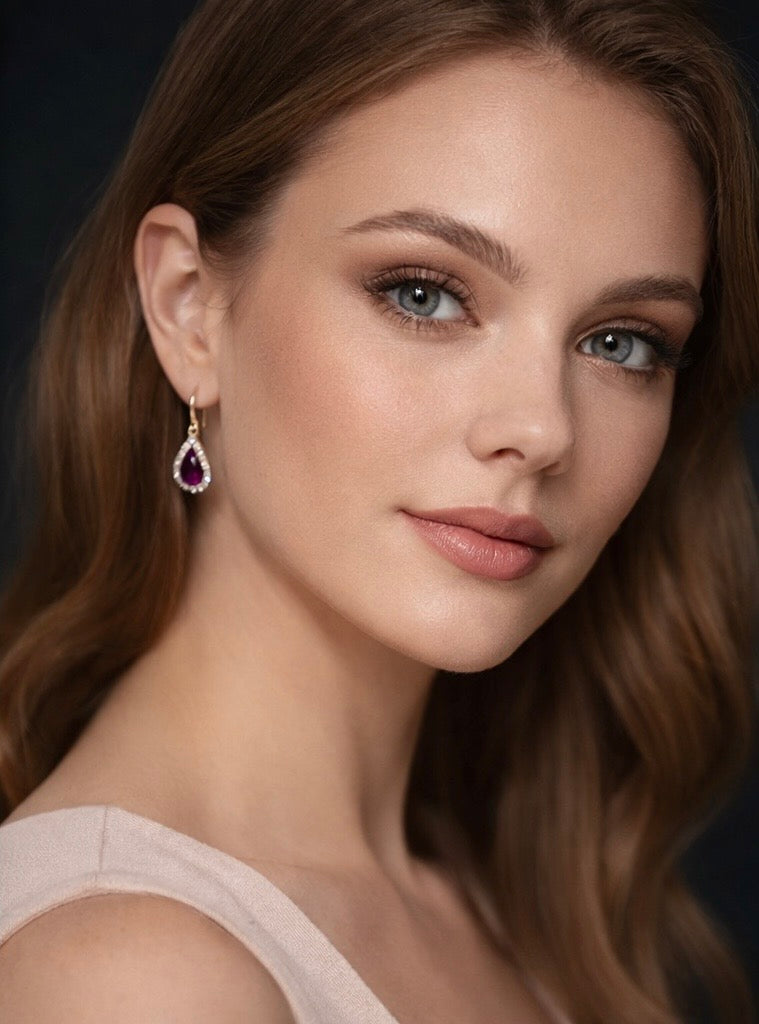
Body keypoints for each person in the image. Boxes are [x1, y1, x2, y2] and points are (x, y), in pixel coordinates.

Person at [0, 0, 756, 1021]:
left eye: (622, 341)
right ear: (189, 304)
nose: (541, 429)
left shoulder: (502, 910)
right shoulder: (130, 974)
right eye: (424, 293)